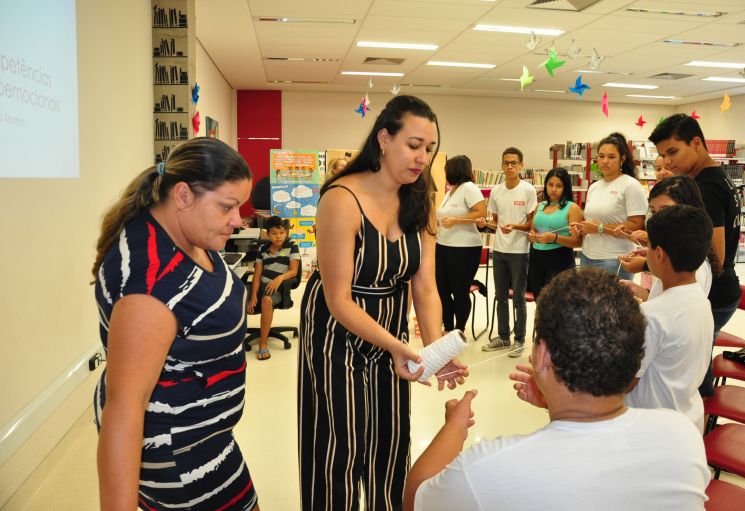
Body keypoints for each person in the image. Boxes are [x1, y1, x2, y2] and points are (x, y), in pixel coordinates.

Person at [403, 268, 709, 511]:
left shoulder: (491, 469)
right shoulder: (684, 435)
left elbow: (416, 498)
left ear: (543, 356)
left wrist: (454, 427)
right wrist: (554, 400)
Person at [298, 95, 468, 511]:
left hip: (391, 330)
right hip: (336, 334)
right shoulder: (341, 199)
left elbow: (425, 287)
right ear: (384, 139)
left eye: (429, 149)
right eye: (413, 145)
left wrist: (435, 350)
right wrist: (398, 346)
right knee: (338, 446)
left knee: (391, 440)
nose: (422, 158)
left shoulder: (419, 198)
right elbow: (338, 299)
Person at [92, 138, 259, 510]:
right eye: (228, 207)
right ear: (183, 195)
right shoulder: (153, 285)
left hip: (203, 437)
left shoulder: (186, 234)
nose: (237, 220)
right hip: (180, 455)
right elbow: (124, 407)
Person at [649, 114, 741, 397]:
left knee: (690, 375)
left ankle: (697, 430)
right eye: (663, 155)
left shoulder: (707, 189)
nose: (667, 162)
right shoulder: (713, 177)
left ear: (696, 142)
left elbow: (713, 254)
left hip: (713, 293)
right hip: (719, 291)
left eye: (673, 152)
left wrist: (653, 259)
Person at [625, 205, 714, 432]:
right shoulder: (701, 300)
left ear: (659, 254)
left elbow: (625, 382)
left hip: (651, 426)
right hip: (685, 417)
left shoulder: (652, 315)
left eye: (648, 246)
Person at [476, 147, 537, 357]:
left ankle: (519, 339)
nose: (509, 167)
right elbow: (495, 223)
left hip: (520, 251)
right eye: (506, 163)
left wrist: (516, 227)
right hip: (499, 250)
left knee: (518, 297)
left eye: (514, 163)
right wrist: (485, 223)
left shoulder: (528, 190)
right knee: (500, 296)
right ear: (502, 165)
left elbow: (532, 224)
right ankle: (503, 337)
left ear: (521, 165)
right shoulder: (496, 191)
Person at [620, 175, 719, 302]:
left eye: (666, 211)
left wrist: (647, 265)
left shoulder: (694, 268)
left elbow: (672, 312)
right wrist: (634, 289)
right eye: (654, 212)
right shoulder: (677, 255)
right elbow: (664, 301)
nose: (657, 219)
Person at [571, 132, 647, 281]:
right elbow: (592, 221)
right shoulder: (594, 186)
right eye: (601, 156)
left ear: (622, 159)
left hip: (614, 259)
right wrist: (581, 228)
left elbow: (637, 226)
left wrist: (600, 228)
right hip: (587, 256)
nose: (605, 161)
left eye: (611, 157)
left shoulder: (631, 185)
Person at [435, 155, 486, 333]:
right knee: (442, 290)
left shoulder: (469, 188)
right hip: (443, 245)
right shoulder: (451, 191)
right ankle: (448, 328)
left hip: (464, 249)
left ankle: (458, 330)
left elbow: (481, 212)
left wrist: (456, 220)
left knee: (459, 291)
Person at [246, 215, 300, 360]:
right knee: (236, 293)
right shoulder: (262, 249)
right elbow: (257, 275)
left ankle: (263, 345)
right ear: (268, 234)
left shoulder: (292, 246)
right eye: (274, 233)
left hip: (279, 287)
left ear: (286, 233)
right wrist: (252, 296)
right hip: (261, 285)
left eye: (282, 232)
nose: (278, 236)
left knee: (267, 301)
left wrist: (279, 278)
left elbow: (294, 271)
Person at [526, 167, 583, 299]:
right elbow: (532, 230)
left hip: (560, 259)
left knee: (558, 304)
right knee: (539, 301)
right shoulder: (540, 205)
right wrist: (532, 236)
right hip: (536, 259)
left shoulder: (572, 208)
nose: (553, 189)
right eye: (550, 185)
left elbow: (578, 241)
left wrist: (554, 238)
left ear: (565, 187)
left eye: (558, 186)